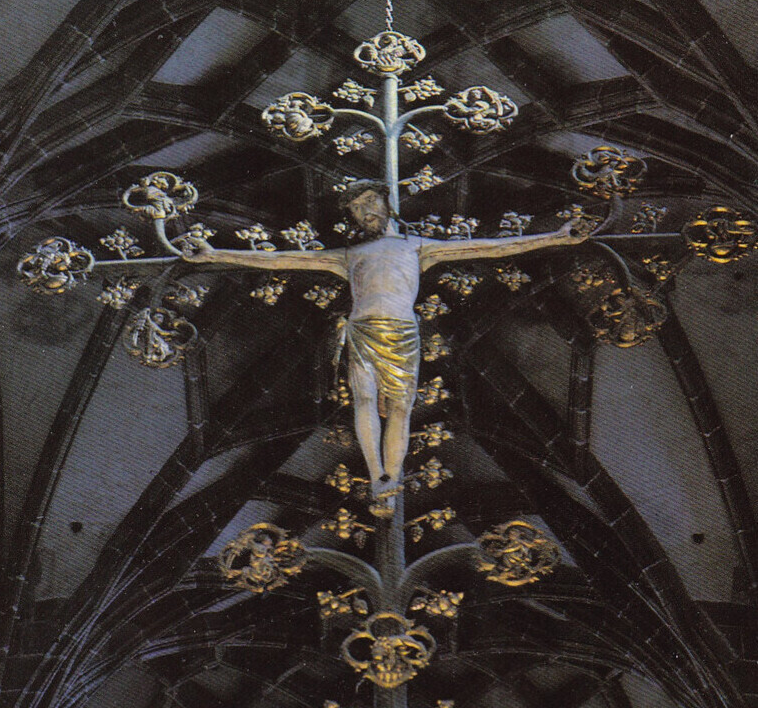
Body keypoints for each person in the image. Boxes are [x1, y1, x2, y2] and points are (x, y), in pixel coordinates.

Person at [181, 180, 587, 515]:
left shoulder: (417, 246)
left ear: (387, 203)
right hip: (362, 329)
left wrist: (557, 237)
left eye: (369, 202)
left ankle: (392, 475)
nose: (365, 212)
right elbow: (282, 260)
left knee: (401, 408)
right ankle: (377, 474)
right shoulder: (349, 254)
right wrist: (214, 254)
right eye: (357, 209)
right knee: (363, 399)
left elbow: (491, 248)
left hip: (402, 331)